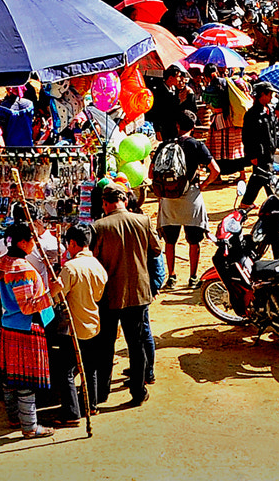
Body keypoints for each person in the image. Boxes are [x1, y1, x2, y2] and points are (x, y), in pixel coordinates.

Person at [90, 185, 162, 406]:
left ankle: (102, 391)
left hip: (109, 295)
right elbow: (156, 249)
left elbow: (92, 258)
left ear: (105, 203)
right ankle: (138, 392)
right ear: (124, 200)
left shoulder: (98, 227)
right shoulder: (143, 221)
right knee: (136, 344)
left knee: (105, 345)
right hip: (137, 293)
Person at [0, 221, 58, 437]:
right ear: (22, 242)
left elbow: (0, 294)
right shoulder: (22, 269)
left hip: (8, 324)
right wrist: (52, 294)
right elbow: (28, 306)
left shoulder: (1, 263)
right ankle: (29, 427)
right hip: (25, 328)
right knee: (25, 381)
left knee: (10, 378)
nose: (35, 243)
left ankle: (13, 417)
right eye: (32, 240)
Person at [151, 109, 218, 289]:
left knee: (170, 241)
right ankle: (193, 277)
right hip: (191, 195)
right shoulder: (197, 145)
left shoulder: (164, 145)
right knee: (194, 240)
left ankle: (171, 276)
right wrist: (203, 185)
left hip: (168, 197)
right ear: (194, 127)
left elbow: (151, 173)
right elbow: (216, 170)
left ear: (177, 126)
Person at [54, 223, 106, 428]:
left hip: (73, 327)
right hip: (93, 323)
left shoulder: (70, 268)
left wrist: (54, 286)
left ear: (73, 244)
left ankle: (71, 412)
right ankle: (90, 405)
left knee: (65, 371)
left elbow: (58, 297)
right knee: (89, 367)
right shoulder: (98, 266)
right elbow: (99, 295)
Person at [239, 80, 279, 209]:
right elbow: (247, 137)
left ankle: (247, 202)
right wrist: (252, 154)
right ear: (262, 95)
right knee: (265, 176)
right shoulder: (252, 115)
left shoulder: (269, 111)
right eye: (270, 94)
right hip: (259, 152)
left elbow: (275, 130)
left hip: (269, 150)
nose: (272, 97)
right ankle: (273, 201)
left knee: (261, 177)